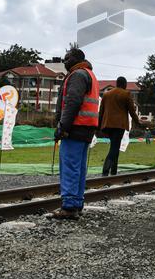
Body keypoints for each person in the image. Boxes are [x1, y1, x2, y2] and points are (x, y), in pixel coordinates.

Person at [51, 49, 100, 220]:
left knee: (70, 166)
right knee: (78, 167)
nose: (64, 61)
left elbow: (73, 101)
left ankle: (70, 206)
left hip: (75, 127)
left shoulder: (77, 75)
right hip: (86, 128)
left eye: (67, 58)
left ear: (77, 59)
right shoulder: (89, 74)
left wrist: (62, 126)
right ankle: (77, 202)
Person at [97, 76, 143, 177]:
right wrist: (138, 123)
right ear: (124, 85)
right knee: (114, 148)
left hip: (107, 125)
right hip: (119, 125)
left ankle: (114, 171)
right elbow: (132, 111)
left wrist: (98, 126)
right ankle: (105, 170)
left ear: (117, 84)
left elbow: (101, 112)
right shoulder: (126, 94)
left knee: (115, 146)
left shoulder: (106, 94)